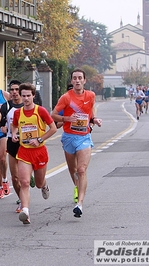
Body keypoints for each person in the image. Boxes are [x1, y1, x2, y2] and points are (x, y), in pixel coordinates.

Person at [51, 68, 102, 218]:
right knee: (73, 170)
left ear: (84, 81)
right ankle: (77, 187)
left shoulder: (91, 95)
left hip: (84, 137)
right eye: (75, 78)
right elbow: (53, 114)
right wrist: (67, 119)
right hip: (68, 137)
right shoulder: (66, 98)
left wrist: (94, 120)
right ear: (72, 81)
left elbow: (89, 112)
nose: (77, 80)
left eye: (80, 78)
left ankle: (79, 204)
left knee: (81, 169)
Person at [11, 83, 57, 224]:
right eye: (23, 96)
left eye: (28, 96)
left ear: (33, 96)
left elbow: (53, 128)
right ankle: (25, 211)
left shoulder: (40, 111)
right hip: (24, 151)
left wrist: (39, 139)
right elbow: (14, 125)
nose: (25, 98)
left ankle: (44, 185)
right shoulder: (18, 113)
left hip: (39, 152)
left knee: (37, 183)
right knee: (24, 182)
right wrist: (14, 134)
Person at [0, 80, 25, 213]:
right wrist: (2, 127)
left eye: (16, 89)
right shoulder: (6, 107)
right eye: (12, 90)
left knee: (24, 176)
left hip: (27, 143)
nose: (14, 92)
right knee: (15, 177)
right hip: (12, 141)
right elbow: (0, 121)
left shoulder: (28, 105)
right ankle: (22, 200)